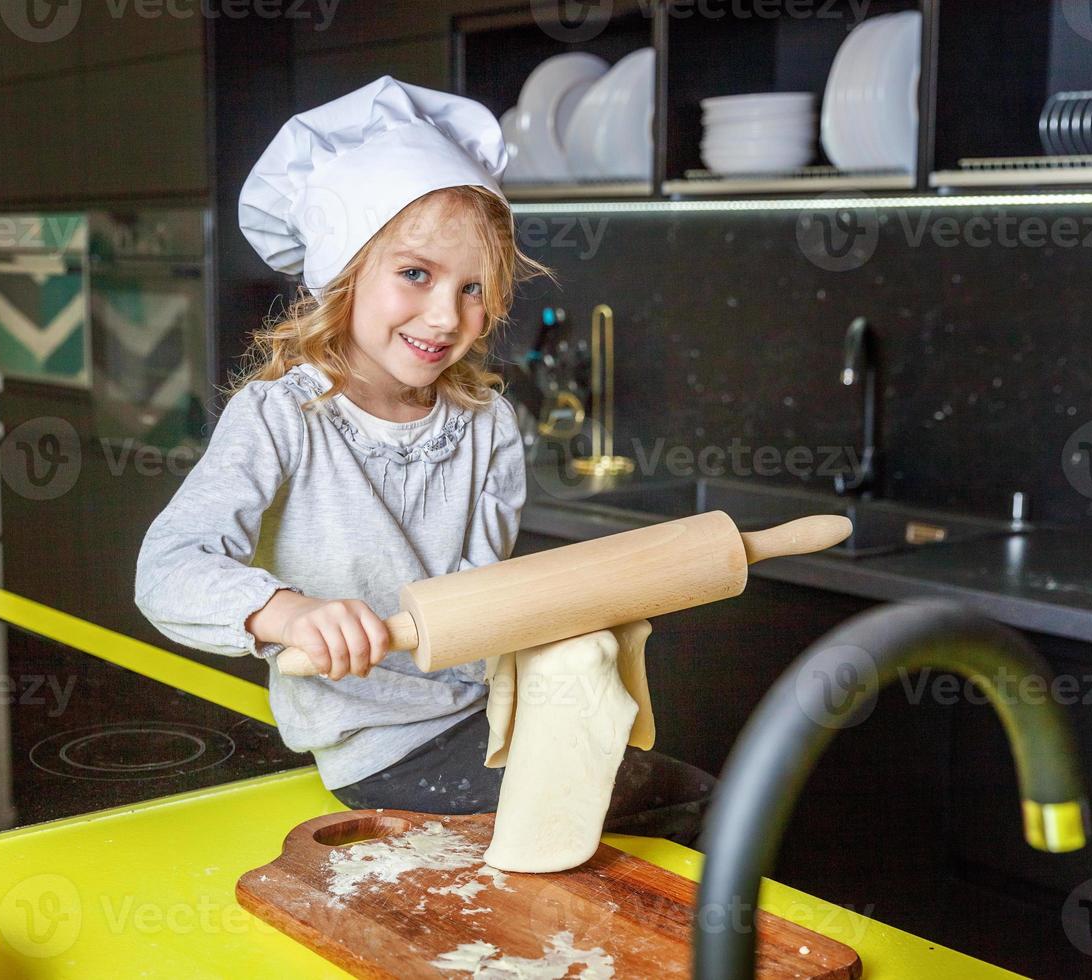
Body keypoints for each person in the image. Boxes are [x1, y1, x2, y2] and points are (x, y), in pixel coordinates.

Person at [134, 75, 714, 845]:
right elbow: (166, 570)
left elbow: (480, 610)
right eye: (416, 274)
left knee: (671, 793)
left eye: (475, 288)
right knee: (693, 804)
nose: (447, 316)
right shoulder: (281, 419)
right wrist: (289, 612)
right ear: (343, 275)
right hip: (380, 751)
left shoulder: (487, 426)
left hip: (483, 715)